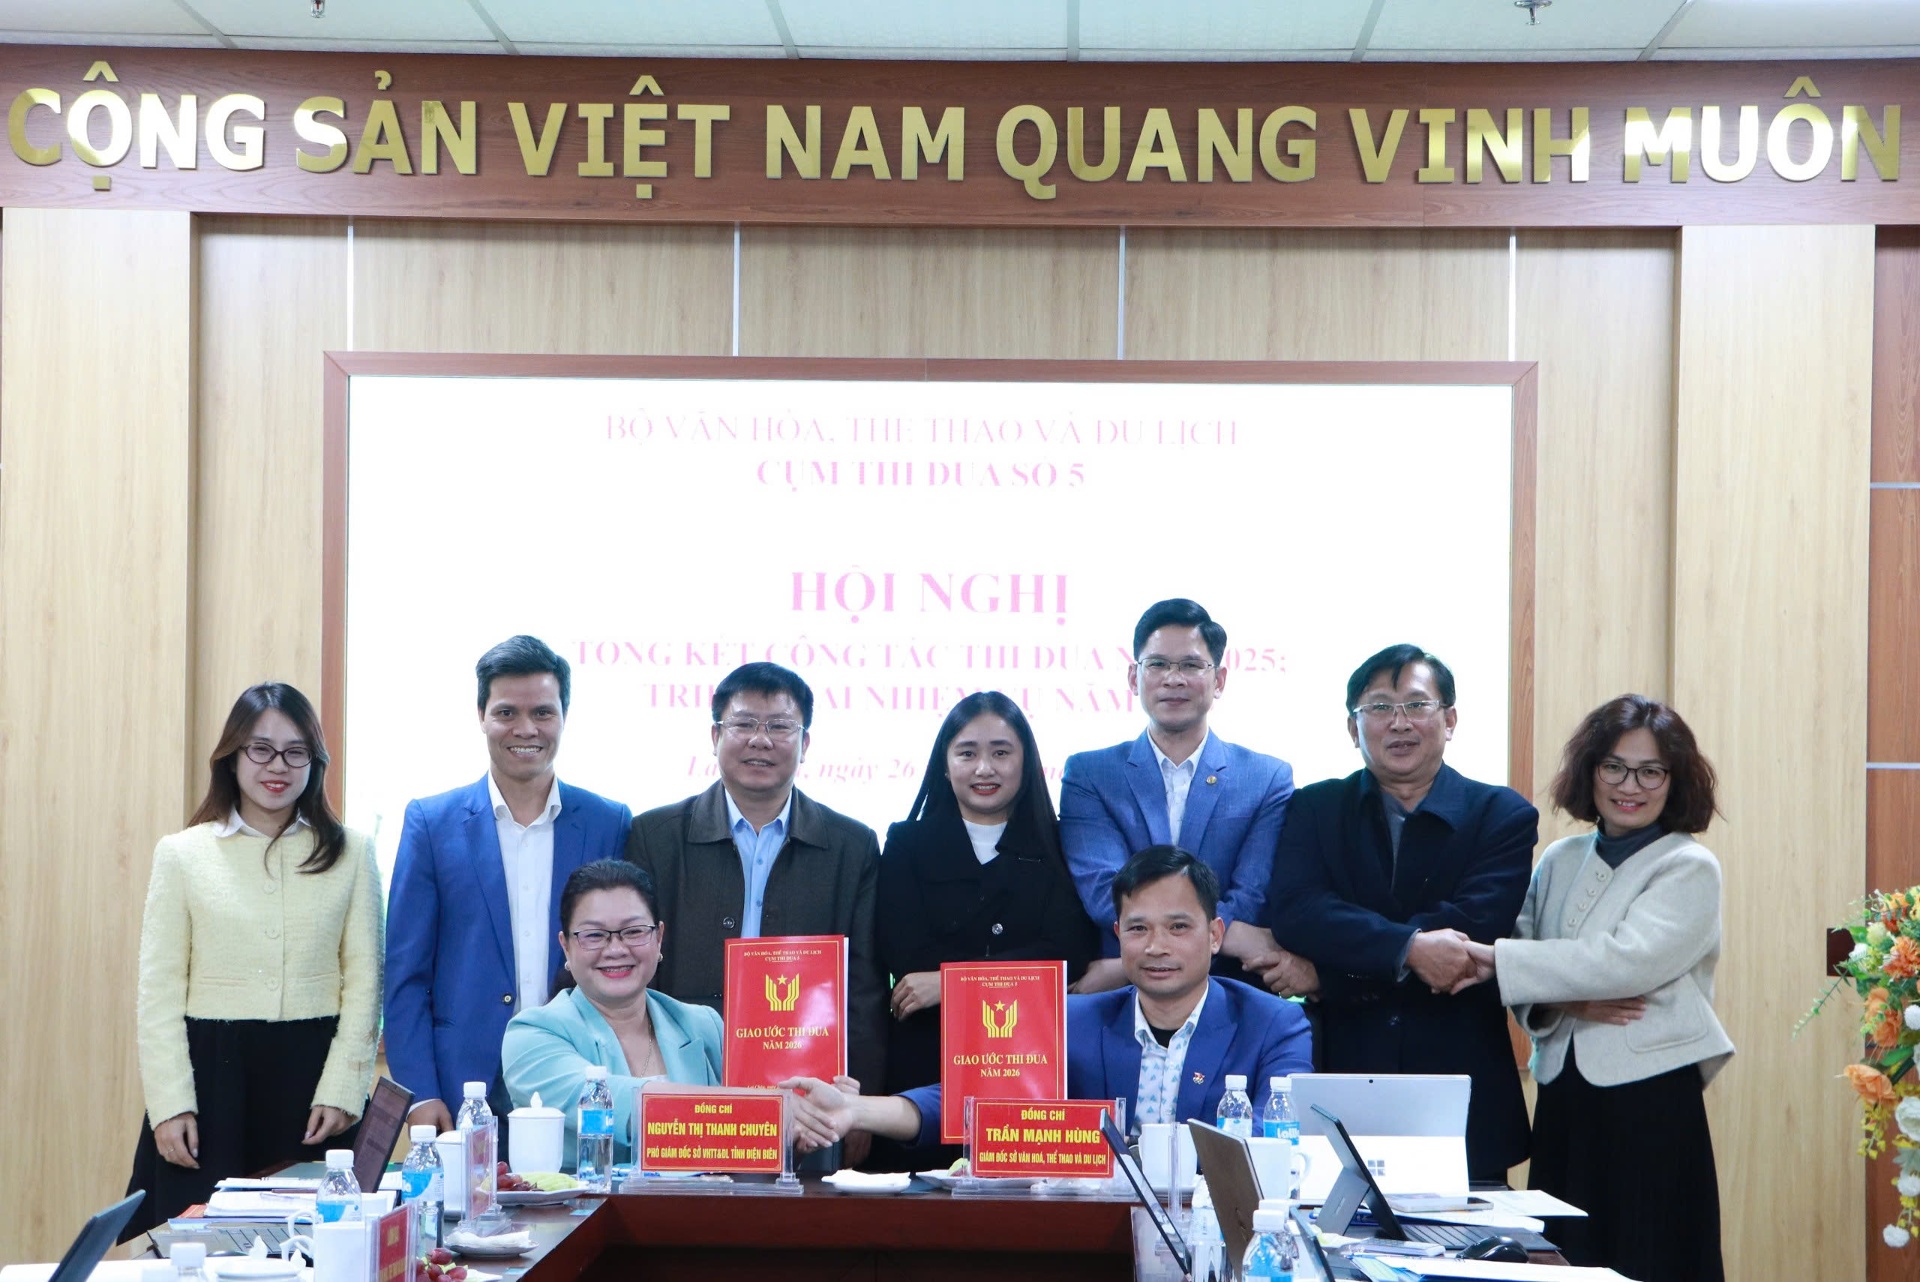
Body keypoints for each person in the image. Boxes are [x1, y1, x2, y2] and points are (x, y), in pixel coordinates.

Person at [1454, 697, 1732, 1282]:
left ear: (1675, 779)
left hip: (1651, 1099)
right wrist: (1558, 994)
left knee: (1650, 1259)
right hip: (1565, 1097)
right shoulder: (1560, 858)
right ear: (1590, 770)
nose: (1630, 786)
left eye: (1651, 771)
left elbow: (1625, 962)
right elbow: (1526, 954)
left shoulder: (1689, 865)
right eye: (1614, 767)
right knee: (1562, 1259)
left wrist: (1505, 964)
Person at [784, 847, 1313, 1151]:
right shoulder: (1069, 1020)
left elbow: (1272, 1143)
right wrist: (856, 1109)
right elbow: (967, 1103)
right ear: (1118, 935)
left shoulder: (1273, 1024)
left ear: (1216, 935)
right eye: (1138, 928)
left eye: (1178, 927)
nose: (1157, 946)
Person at [1265, 644, 1535, 1182]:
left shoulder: (1502, 815)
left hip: (1461, 1085)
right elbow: (1297, 911)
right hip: (1342, 1075)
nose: (1399, 723)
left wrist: (1328, 976)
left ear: (1450, 720)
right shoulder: (1315, 807)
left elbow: (1470, 937)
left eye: (1416, 705)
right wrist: (1410, 948)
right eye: (1380, 708)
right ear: (1353, 727)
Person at [124, 683, 382, 1238]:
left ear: (315, 762)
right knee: (199, 1247)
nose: (278, 766)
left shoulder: (352, 851)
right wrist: (169, 1104)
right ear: (233, 755)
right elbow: (158, 992)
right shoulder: (183, 853)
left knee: (318, 1243)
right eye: (261, 749)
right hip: (211, 1081)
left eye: (295, 752)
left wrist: (344, 1087)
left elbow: (365, 984)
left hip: (312, 1082)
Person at [385, 635, 634, 1132]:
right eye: (506, 713)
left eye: (542, 712)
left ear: (564, 716)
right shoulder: (431, 823)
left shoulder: (609, 822)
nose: (526, 729)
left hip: (576, 1075)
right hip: (461, 1085)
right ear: (481, 715)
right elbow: (406, 974)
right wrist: (420, 1092)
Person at [626, 662, 887, 1113]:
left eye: (780, 727)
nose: (760, 740)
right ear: (715, 737)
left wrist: (860, 1108)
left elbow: (864, 989)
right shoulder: (655, 837)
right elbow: (636, 967)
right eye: (743, 724)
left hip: (809, 1093)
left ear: (805, 744)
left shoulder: (851, 845)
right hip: (684, 1081)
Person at [873, 692, 1100, 1166]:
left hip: (1027, 1057)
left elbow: (1067, 952)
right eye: (967, 753)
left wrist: (951, 984)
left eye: (1001, 752)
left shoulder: (1058, 843)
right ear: (944, 764)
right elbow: (905, 954)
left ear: (1025, 762)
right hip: (926, 1055)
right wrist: (1008, 972)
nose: (984, 769)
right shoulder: (907, 842)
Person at [1060, 599, 1297, 993]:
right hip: (1120, 996)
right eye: (1157, 664)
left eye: (1190, 665)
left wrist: (1135, 959)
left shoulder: (1266, 778)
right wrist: (1230, 935)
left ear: (1219, 680)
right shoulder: (1090, 774)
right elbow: (1104, 895)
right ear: (1133, 677)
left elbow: (1251, 896)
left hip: (1228, 990)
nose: (1173, 679)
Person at [503, 860, 723, 1166]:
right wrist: (746, 1112)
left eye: (633, 931)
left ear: (659, 937)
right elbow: (602, 1101)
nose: (616, 949)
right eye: (594, 935)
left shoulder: (704, 1025)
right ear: (566, 947)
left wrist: (789, 1108)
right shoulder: (531, 1034)